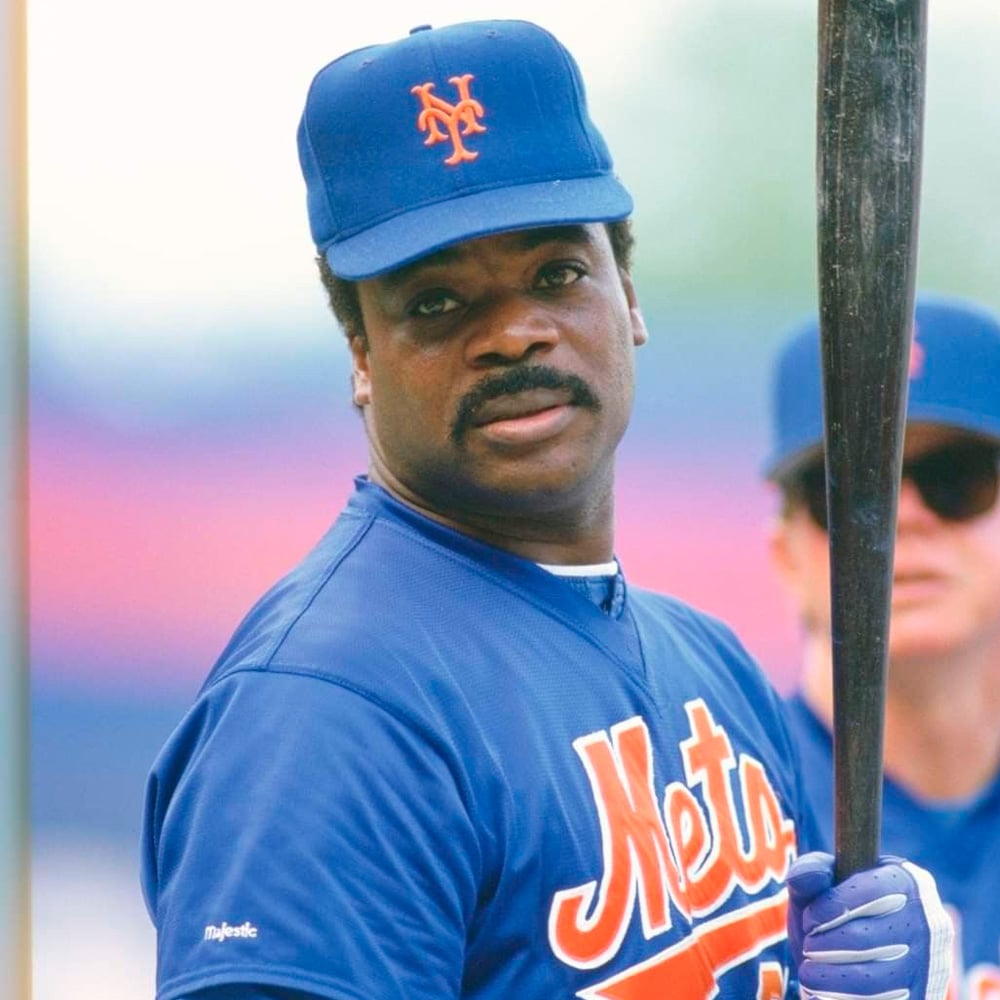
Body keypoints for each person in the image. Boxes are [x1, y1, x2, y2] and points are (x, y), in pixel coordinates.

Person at [140, 20, 953, 1000]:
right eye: (437, 301)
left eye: (555, 274)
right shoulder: (326, 711)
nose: (515, 332)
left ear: (629, 297)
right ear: (361, 353)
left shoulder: (712, 662)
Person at [763, 295, 1000, 995]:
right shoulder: (729, 818)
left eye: (957, 480)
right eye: (853, 487)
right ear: (786, 556)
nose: (904, 519)